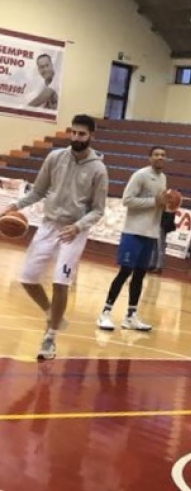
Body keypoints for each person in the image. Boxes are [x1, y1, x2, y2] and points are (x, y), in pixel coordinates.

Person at [0, 114, 108, 360]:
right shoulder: (54, 157)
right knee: (27, 279)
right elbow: (37, 191)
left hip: (73, 232)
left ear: (92, 135)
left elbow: (98, 209)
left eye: (82, 134)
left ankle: (49, 339)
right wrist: (13, 206)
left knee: (61, 282)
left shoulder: (98, 169)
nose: (76, 137)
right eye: (73, 132)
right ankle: (53, 314)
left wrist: (79, 226)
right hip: (48, 225)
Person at [97, 146, 168, 332]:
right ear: (149, 157)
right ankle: (105, 312)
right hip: (133, 232)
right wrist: (154, 202)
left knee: (140, 276)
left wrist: (168, 206)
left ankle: (130, 316)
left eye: (163, 155)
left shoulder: (163, 179)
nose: (160, 158)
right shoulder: (140, 175)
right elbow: (127, 200)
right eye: (156, 155)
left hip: (150, 233)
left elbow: (159, 205)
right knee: (124, 272)